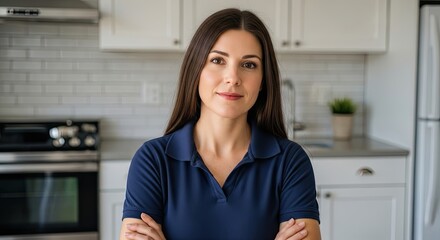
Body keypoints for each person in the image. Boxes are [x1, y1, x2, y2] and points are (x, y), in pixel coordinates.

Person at [119, 8, 321, 240]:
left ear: (263, 80)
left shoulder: (290, 161)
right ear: (196, 70)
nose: (232, 77)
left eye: (249, 65)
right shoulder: (152, 160)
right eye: (217, 60)